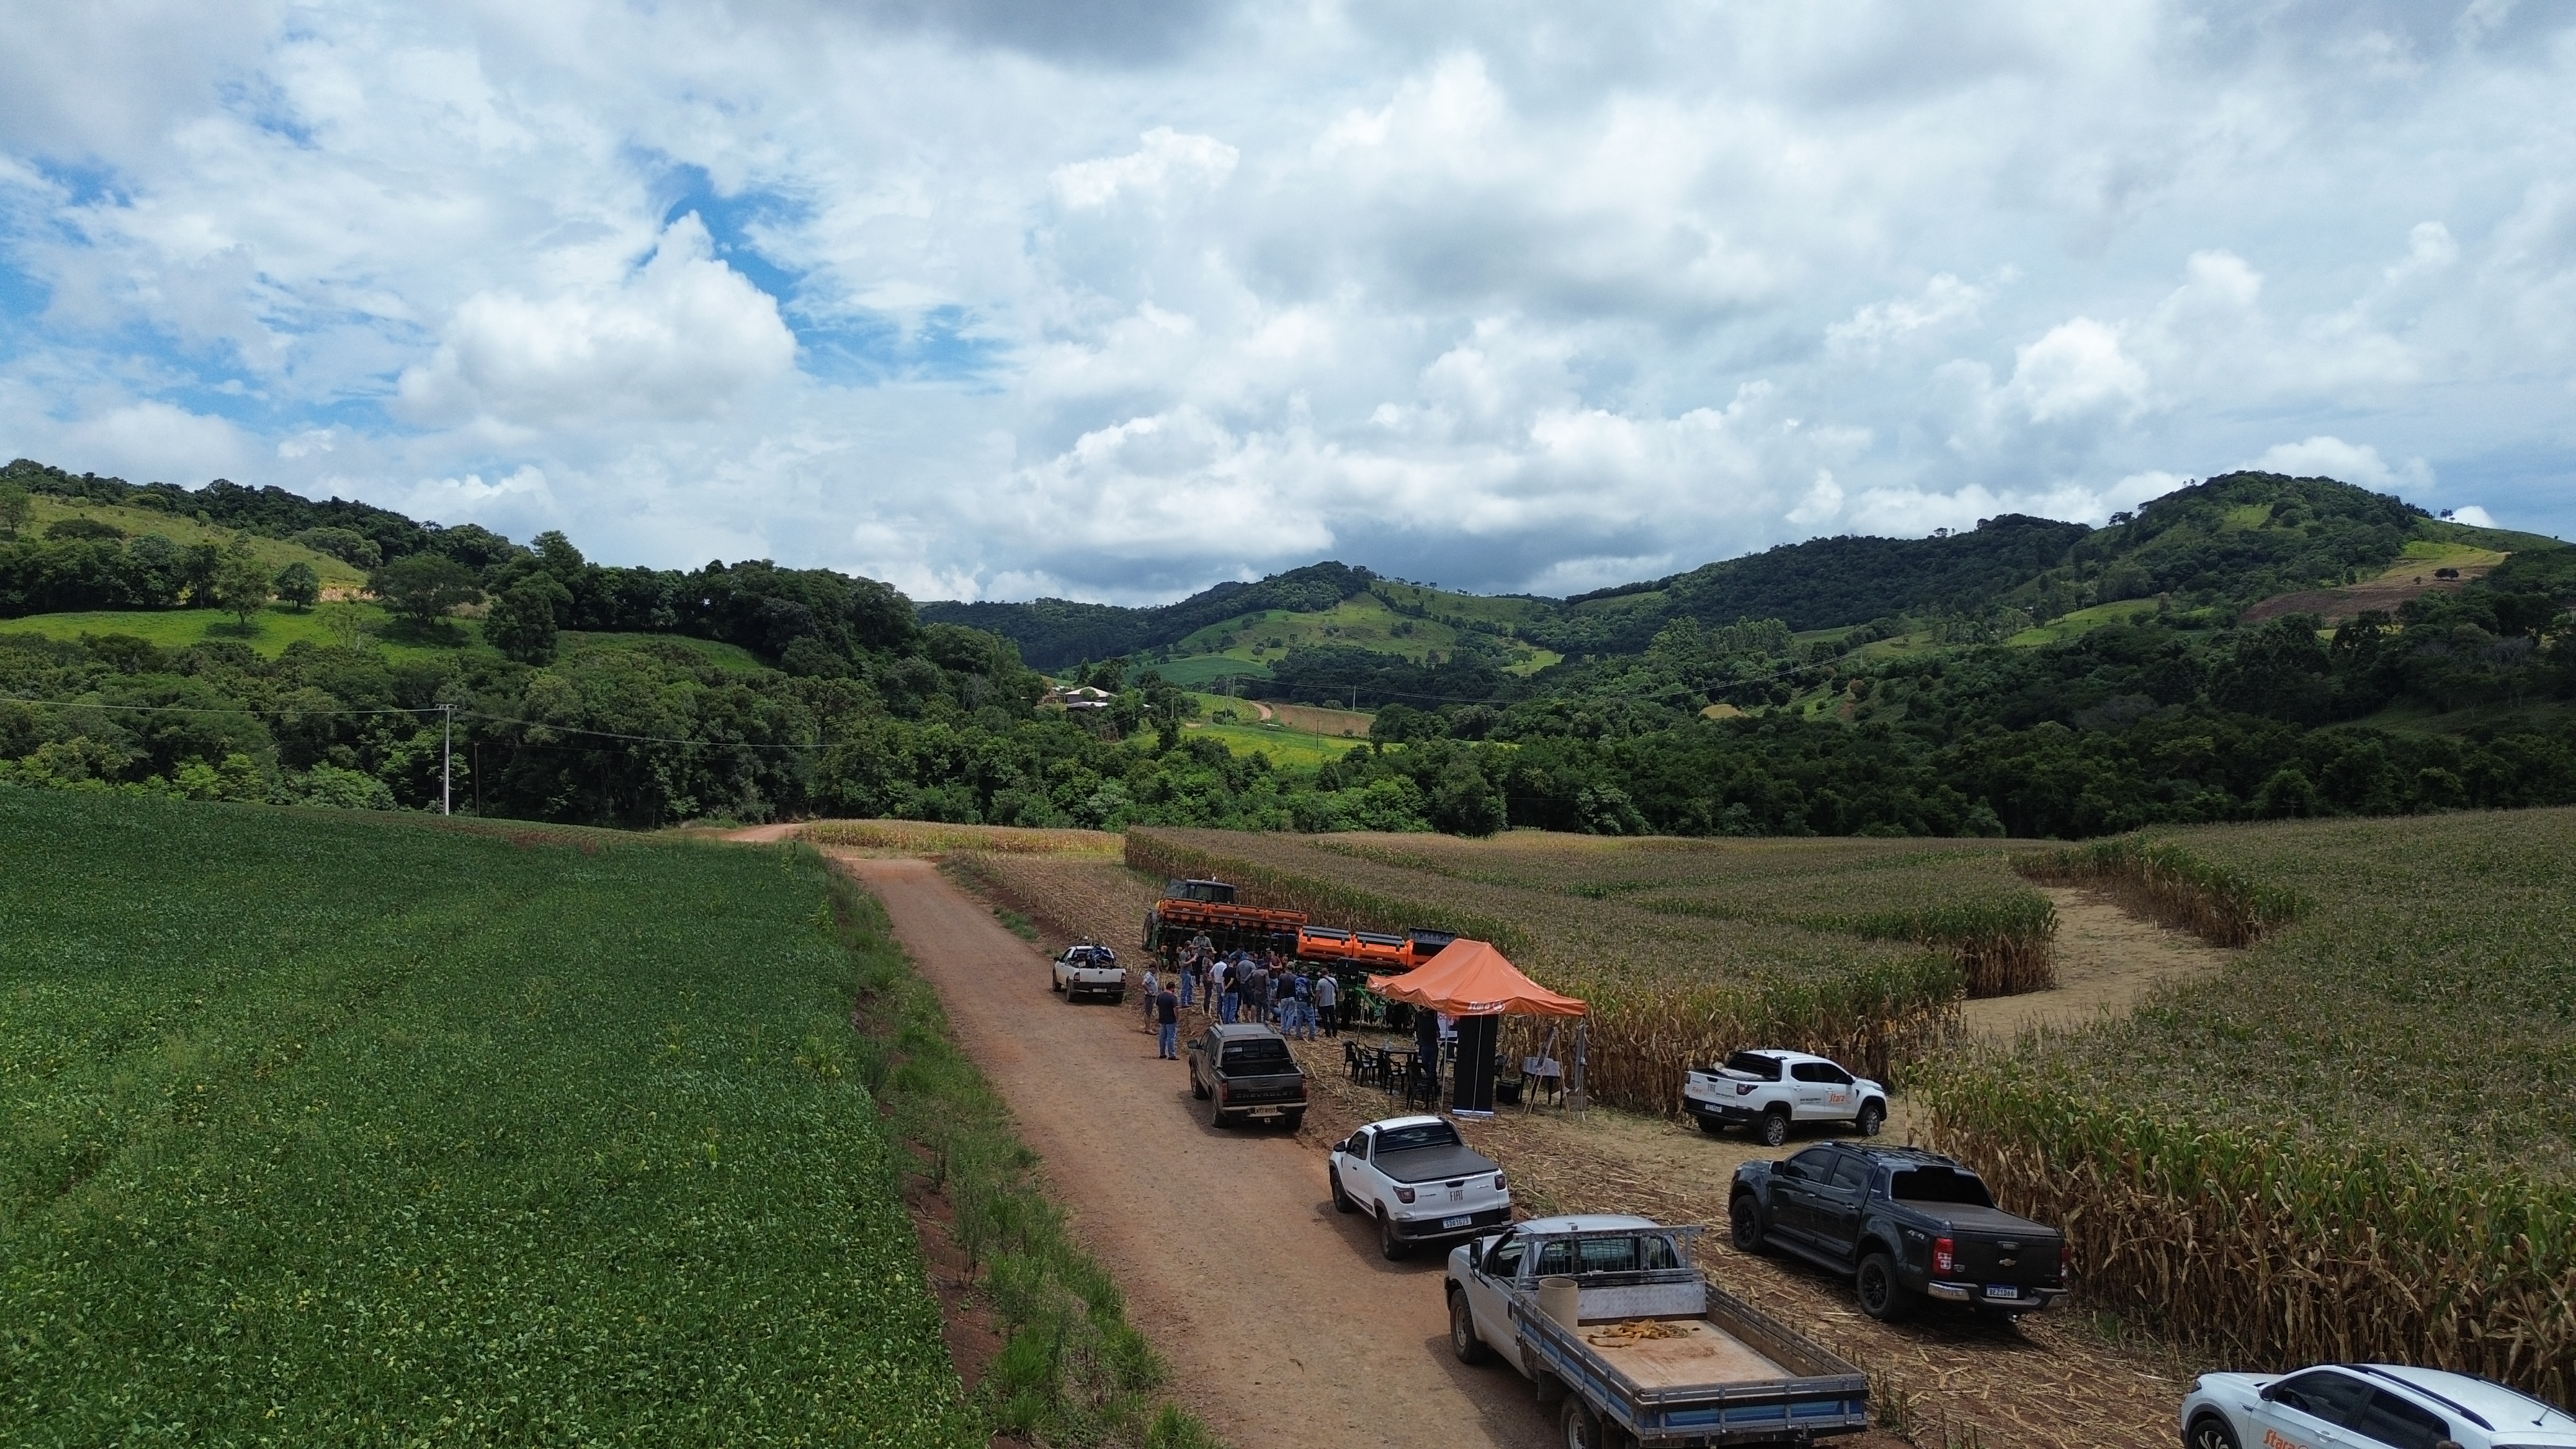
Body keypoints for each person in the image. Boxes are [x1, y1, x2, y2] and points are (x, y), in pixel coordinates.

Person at [1154, 978, 1182, 1059]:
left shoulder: (1160, 996)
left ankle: (1162, 1053)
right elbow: (1175, 1009)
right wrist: (1177, 1018)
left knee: (1162, 1036)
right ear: (1172, 988)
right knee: (1171, 1037)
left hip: (1162, 1018)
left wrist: (1161, 1014)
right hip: (1171, 1020)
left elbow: (1158, 1007)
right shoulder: (1173, 998)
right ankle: (1171, 1054)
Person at [1314, 969, 1339, 1037]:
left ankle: (1328, 1032)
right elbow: (1337, 990)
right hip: (1331, 1002)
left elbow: (1318, 994)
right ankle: (1335, 1032)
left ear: (1321, 974)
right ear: (1328, 973)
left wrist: (1316, 1002)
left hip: (1323, 1003)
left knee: (1324, 1019)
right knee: (1332, 1018)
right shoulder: (1334, 980)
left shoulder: (1320, 982)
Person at [1216, 956, 1239, 1025]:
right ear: (1234, 962)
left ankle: (1225, 1020)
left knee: (1226, 1006)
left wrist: (1224, 989)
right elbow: (1231, 982)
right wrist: (1227, 987)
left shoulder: (1225, 970)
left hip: (1226, 992)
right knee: (1233, 1007)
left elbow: (1222, 981)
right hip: (1233, 991)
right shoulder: (1234, 971)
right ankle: (1231, 1020)